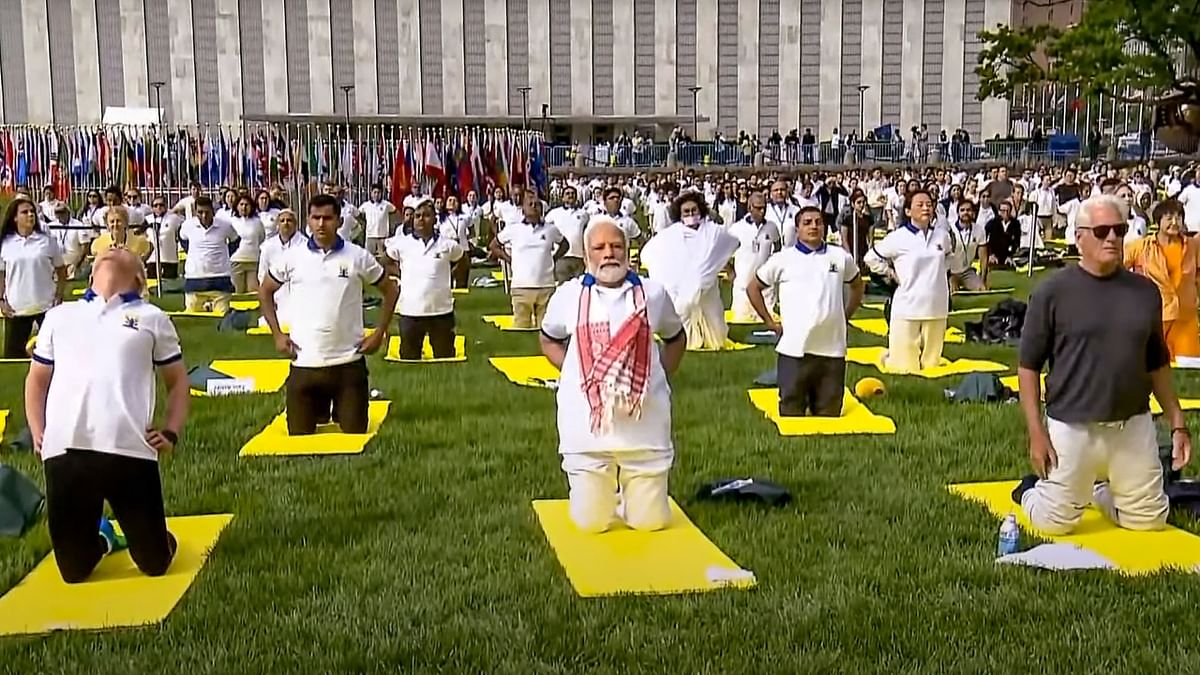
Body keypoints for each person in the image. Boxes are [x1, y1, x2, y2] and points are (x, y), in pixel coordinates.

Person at [1014, 194, 1191, 535]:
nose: (1111, 237)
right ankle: (1030, 492)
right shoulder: (1052, 291)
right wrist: (1037, 433)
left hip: (1132, 424)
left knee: (1150, 521)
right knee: (1056, 524)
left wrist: (1178, 422)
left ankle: (1101, 492)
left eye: (1119, 230)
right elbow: (1028, 367)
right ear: (1079, 237)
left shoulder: (1144, 292)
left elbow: (1157, 362)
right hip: (1072, 425)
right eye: (1101, 231)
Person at [25, 248, 188, 583]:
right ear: (91, 272)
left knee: (155, 565)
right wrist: (38, 429)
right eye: (107, 252)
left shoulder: (152, 317)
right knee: (73, 572)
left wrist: (171, 431)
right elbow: (36, 379)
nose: (113, 250)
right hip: (66, 449)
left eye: (123, 251)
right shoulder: (60, 316)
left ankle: (156, 538)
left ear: (140, 279)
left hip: (128, 449)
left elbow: (178, 382)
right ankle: (102, 539)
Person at [539, 216, 686, 533]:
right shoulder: (568, 295)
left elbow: (676, 337)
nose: (609, 253)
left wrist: (658, 375)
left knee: (652, 524)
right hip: (586, 427)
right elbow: (548, 337)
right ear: (587, 254)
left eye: (616, 246)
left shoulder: (654, 294)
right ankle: (602, 494)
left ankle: (634, 496)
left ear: (627, 251)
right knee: (592, 524)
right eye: (600, 247)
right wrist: (573, 372)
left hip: (644, 424)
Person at [259, 194, 399, 435]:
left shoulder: (358, 256)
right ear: (308, 221)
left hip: (348, 364)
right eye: (316, 218)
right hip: (304, 363)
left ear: (340, 220)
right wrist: (277, 335)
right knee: (299, 435)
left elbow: (391, 290)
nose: (321, 224)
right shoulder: (292, 257)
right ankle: (319, 406)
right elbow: (265, 291)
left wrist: (379, 333)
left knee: (355, 431)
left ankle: (342, 405)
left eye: (327, 218)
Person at [749, 206, 864, 416]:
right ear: (798, 229)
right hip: (794, 348)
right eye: (807, 222)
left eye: (818, 222)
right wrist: (769, 321)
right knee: (791, 414)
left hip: (832, 348)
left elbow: (857, 285)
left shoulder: (840, 256)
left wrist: (846, 313)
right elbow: (753, 287)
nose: (813, 226)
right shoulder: (783, 259)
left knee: (829, 415)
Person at [863, 190, 952, 372]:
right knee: (904, 367)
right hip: (908, 305)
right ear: (908, 211)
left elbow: (951, 258)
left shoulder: (942, 236)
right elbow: (870, 258)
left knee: (932, 365)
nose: (926, 208)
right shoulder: (898, 237)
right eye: (920, 205)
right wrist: (890, 273)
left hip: (937, 304)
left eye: (929, 204)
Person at [640, 192, 739, 350]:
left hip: (708, 288)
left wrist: (721, 269)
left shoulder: (713, 232)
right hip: (682, 287)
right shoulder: (671, 235)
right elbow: (652, 253)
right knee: (683, 313)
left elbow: (724, 248)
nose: (691, 214)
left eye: (694, 210)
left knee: (715, 327)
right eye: (686, 211)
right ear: (679, 214)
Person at [385, 198, 463, 360]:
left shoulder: (447, 245)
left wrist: (450, 275)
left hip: (441, 311)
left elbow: (463, 260)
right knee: (409, 359)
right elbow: (385, 261)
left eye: (426, 215)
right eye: (417, 216)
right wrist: (399, 273)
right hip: (410, 311)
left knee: (445, 359)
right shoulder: (402, 244)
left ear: (435, 219)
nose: (421, 219)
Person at [1124, 199, 1200, 360]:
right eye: (1169, 218)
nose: (1175, 222)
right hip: (1153, 319)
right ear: (1158, 221)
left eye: (1179, 218)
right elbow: (1115, 270)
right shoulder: (1140, 247)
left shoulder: (1193, 246)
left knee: (1187, 373)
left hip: (1185, 319)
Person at [490, 191, 568, 329]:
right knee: (521, 329)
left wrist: (554, 258)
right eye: (530, 204)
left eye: (537, 205)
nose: (534, 207)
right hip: (521, 287)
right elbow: (494, 245)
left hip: (546, 287)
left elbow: (565, 244)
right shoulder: (513, 229)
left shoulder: (551, 229)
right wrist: (509, 259)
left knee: (546, 329)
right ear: (523, 209)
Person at [0, 197, 67, 358]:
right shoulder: (5, 244)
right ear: (15, 217)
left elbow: (61, 269)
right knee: (12, 358)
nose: (30, 215)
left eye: (32, 212)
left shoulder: (47, 241)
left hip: (46, 307)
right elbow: (1, 274)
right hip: (17, 309)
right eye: (25, 212)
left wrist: (59, 294)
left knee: (54, 356)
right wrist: (1, 301)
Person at [179, 197, 239, 313]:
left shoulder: (225, 225)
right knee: (192, 316)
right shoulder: (187, 226)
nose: (204, 216)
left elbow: (235, 241)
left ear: (213, 211)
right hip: (194, 277)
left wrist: (225, 255)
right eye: (200, 212)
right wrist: (192, 254)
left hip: (220, 277)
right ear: (195, 212)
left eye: (207, 212)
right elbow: (183, 239)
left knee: (222, 314)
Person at [728, 193, 781, 322]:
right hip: (743, 288)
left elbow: (778, 247)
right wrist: (730, 271)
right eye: (758, 208)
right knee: (741, 326)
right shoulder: (736, 229)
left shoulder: (772, 227)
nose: (762, 212)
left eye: (764, 208)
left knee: (768, 328)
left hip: (766, 288)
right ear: (749, 207)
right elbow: (723, 253)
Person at [256, 209, 308, 328]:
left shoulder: (304, 244)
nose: (286, 223)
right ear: (277, 225)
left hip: (296, 293)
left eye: (289, 220)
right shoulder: (268, 246)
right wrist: (267, 296)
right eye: (282, 221)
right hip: (275, 291)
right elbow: (262, 272)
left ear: (295, 224)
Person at [947, 199, 989, 291]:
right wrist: (949, 276)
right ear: (958, 213)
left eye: (968, 210)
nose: (965, 212)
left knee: (981, 289)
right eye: (962, 210)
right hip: (950, 272)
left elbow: (984, 257)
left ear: (973, 213)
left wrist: (983, 279)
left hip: (967, 271)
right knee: (952, 291)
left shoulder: (979, 230)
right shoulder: (950, 229)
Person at [360, 184, 397, 258]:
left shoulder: (386, 205)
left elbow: (395, 212)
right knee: (369, 258)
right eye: (375, 192)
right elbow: (359, 215)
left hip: (382, 237)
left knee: (383, 258)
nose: (376, 195)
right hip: (370, 236)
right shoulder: (365, 205)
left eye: (378, 192)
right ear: (371, 193)